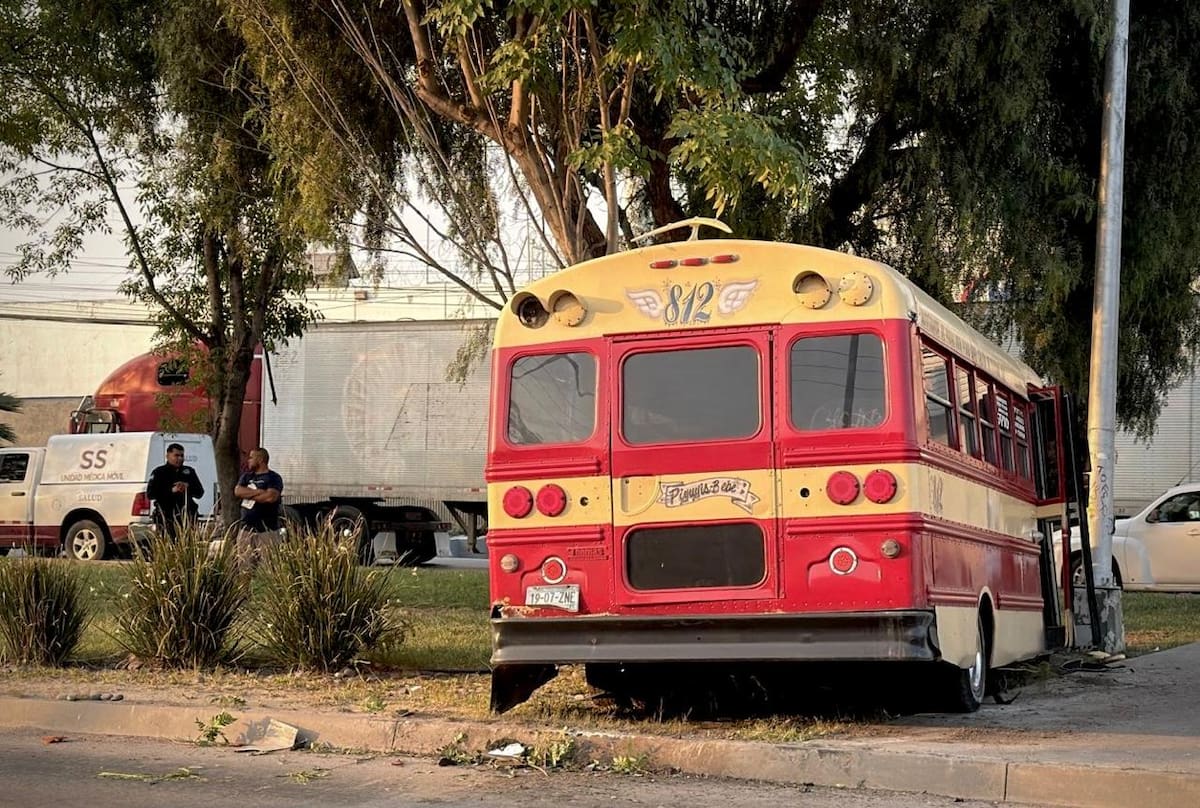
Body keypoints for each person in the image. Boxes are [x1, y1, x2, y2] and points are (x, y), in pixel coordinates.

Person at [232, 447, 284, 568]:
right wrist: (260, 492)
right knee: (244, 567)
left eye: (251, 458)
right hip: (246, 529)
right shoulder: (246, 477)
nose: (248, 460)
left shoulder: (273, 478)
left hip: (267, 530)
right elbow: (238, 491)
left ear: (260, 459)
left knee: (268, 568)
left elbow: (271, 497)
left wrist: (249, 494)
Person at [146, 442, 205, 539]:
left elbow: (199, 492)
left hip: (187, 515)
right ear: (168, 456)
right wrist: (171, 490)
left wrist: (187, 487)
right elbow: (151, 494)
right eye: (176, 455)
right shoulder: (159, 472)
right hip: (167, 517)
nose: (180, 458)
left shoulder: (189, 472)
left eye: (182, 455)